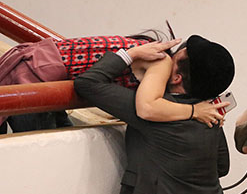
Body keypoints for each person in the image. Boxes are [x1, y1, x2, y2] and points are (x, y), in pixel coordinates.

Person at [74, 35, 240, 194]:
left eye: (173, 57)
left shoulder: (152, 112)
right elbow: (222, 167)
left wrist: (131, 54)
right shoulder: (209, 115)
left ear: (176, 77)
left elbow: (87, 82)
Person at [0, 33, 227, 132]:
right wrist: (195, 110)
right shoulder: (162, 62)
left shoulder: (162, 61)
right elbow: (148, 107)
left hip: (47, 75)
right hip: (36, 76)